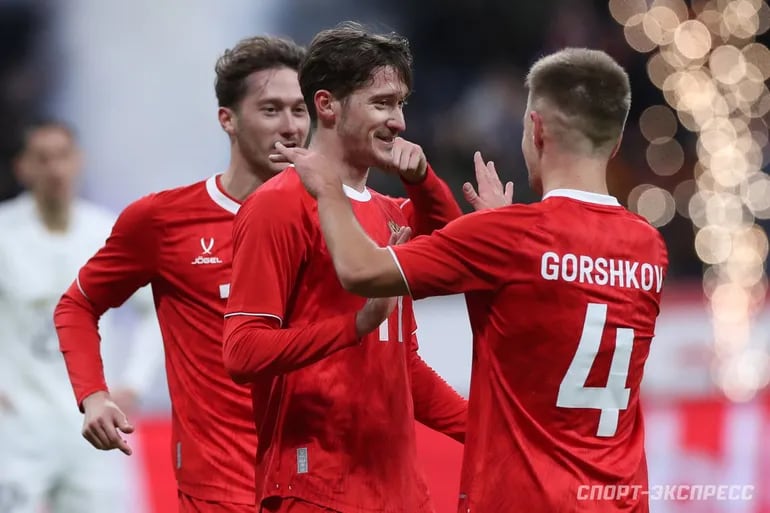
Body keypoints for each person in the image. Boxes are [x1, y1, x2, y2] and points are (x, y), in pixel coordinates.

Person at [278, 47, 670, 513]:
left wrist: (326, 189)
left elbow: (360, 270)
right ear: (617, 142)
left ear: (536, 129)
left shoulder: (509, 238)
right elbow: (562, 293)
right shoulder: (649, 246)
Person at [53, 36, 312, 513]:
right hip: (219, 488)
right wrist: (93, 396)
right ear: (227, 120)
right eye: (272, 110)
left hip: (318, 483)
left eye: (300, 110)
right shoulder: (163, 220)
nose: (292, 127)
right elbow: (77, 304)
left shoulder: (334, 217)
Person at [222, 23, 469, 513]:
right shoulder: (279, 205)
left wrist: (484, 430)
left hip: (401, 495)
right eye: (382, 103)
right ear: (328, 106)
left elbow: (449, 270)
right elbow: (242, 350)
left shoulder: (390, 211)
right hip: (315, 489)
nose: (398, 121)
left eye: (401, 104)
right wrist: (354, 325)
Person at [0, 120, 160, 513]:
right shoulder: (3, 232)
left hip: (94, 417)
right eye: (43, 159)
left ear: (79, 162)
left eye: (62, 157)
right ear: (23, 167)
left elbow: (153, 311)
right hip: (18, 419)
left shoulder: (106, 232)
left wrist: (135, 384)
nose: (55, 169)